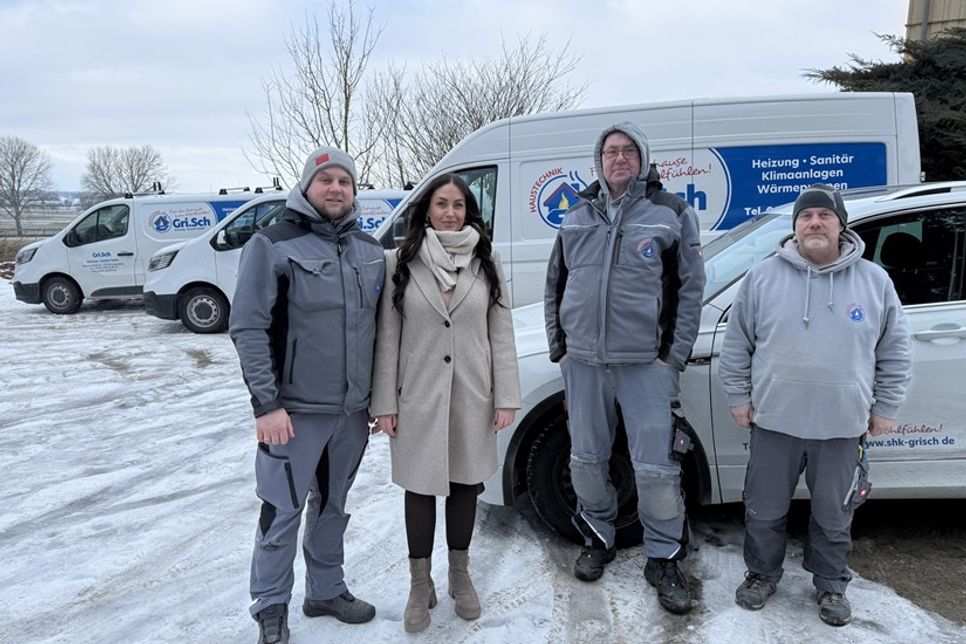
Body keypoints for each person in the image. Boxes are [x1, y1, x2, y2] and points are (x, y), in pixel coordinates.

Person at [718, 184, 912, 626]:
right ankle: (761, 575)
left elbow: (895, 351)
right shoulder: (763, 277)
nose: (815, 223)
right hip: (774, 421)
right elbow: (737, 345)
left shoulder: (873, 280)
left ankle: (830, 584)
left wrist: (886, 407)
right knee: (764, 509)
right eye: (806, 217)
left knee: (834, 512)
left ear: (841, 224)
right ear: (795, 227)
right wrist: (738, 396)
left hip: (843, 425)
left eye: (825, 215)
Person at [544, 123, 706, 614]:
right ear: (599, 161)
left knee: (656, 468)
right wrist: (561, 349)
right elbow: (556, 285)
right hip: (585, 363)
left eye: (628, 151)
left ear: (643, 158)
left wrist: (670, 357)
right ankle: (598, 536)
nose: (619, 159)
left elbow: (690, 290)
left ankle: (663, 557)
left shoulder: (671, 213)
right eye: (610, 152)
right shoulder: (576, 215)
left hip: (645, 366)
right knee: (586, 460)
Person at [229, 146, 385, 644]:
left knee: (334, 506)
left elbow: (383, 330)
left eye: (345, 181)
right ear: (306, 187)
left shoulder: (368, 249)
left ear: (354, 190)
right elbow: (249, 326)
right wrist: (266, 404)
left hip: (352, 412)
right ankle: (270, 609)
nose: (336, 188)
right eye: (326, 180)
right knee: (281, 512)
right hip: (293, 413)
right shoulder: (272, 244)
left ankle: (326, 589)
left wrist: (380, 400)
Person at [370, 173, 521, 633]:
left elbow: (501, 333)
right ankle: (420, 584)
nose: (450, 212)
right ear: (427, 210)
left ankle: (459, 574)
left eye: (458, 204)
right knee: (418, 490)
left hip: (473, 394)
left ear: (469, 210)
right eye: (441, 204)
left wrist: (507, 395)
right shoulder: (399, 261)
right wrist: (385, 403)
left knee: (463, 486)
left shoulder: (486, 259)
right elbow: (387, 339)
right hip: (417, 396)